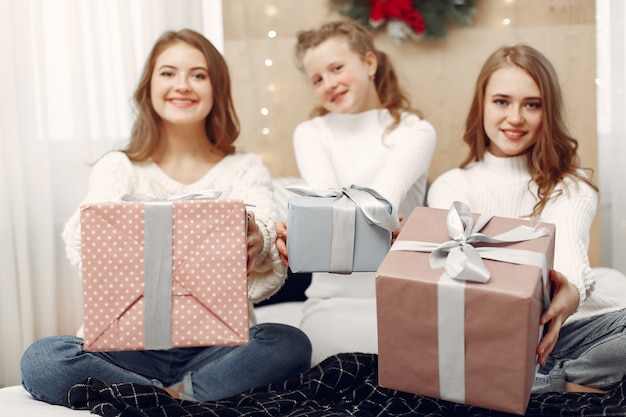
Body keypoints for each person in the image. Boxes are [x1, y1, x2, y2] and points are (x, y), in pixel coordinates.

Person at [20, 28, 311, 406]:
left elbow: (266, 235)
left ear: (216, 88)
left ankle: (148, 400)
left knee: (290, 343)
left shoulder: (245, 167)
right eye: (168, 72)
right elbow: (84, 240)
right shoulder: (119, 166)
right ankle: (177, 398)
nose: (182, 85)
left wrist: (259, 238)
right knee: (43, 360)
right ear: (149, 86)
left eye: (199, 75)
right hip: (126, 349)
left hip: (219, 347)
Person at [427, 44, 626, 393]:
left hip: (566, 331)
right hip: (488, 337)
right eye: (502, 101)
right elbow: (456, 283)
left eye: (531, 104)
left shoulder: (571, 185)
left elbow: (568, 251)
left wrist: (572, 292)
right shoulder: (451, 186)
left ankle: (535, 383)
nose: (515, 118)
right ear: (482, 105)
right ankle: (563, 384)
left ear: (547, 112)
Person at [275, 20, 436, 365]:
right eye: (317, 79)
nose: (329, 83)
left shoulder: (415, 131)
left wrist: (321, 230)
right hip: (330, 302)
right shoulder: (311, 132)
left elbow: (379, 205)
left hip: (402, 300)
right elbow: (327, 207)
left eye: (337, 68)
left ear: (369, 62)